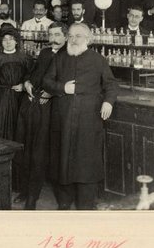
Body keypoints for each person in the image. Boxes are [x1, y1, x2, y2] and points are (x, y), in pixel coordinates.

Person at [43, 23, 118, 211]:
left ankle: (86, 204)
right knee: (63, 160)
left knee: (87, 162)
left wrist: (108, 102)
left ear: (88, 39)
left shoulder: (98, 60)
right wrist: (63, 88)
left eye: (78, 36)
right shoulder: (59, 58)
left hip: (88, 119)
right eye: (70, 36)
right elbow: (46, 82)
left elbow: (111, 85)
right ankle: (64, 202)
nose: (73, 40)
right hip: (63, 118)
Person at [15, 22, 68, 210]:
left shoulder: (69, 55)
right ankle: (27, 191)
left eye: (57, 35)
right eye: (50, 35)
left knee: (43, 153)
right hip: (33, 105)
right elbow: (34, 72)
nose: (53, 39)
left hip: (52, 109)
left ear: (66, 36)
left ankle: (37, 197)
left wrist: (51, 93)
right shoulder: (45, 53)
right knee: (28, 148)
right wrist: (27, 82)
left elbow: (67, 83)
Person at [0, 28, 32, 192]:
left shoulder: (26, 59)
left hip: (19, 102)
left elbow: (32, 78)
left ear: (17, 41)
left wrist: (23, 85)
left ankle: (18, 183)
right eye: (5, 39)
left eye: (11, 39)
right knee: (0, 136)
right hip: (0, 102)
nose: (8, 42)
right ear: (0, 42)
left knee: (18, 137)